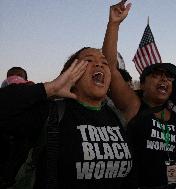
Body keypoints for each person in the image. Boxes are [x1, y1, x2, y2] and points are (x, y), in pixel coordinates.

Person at [0, 4, 133, 189]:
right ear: (71, 73)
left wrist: (114, 25)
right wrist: (50, 88)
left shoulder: (116, 116)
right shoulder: (51, 113)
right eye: (89, 61)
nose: (100, 65)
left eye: (104, 63)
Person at [102, 1, 176, 188]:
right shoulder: (134, 105)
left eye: (169, 78)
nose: (164, 80)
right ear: (142, 84)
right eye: (156, 76)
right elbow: (111, 70)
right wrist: (113, 25)